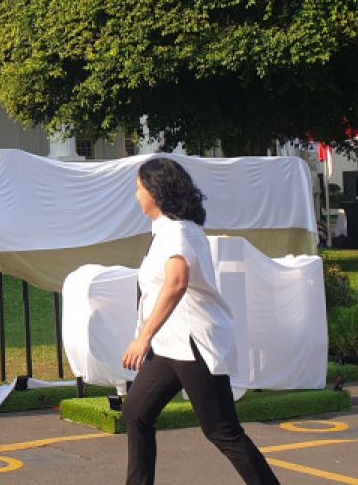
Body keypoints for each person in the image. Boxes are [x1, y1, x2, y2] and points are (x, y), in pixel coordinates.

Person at [122, 157, 280, 485]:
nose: (136, 195)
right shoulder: (170, 230)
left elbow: (177, 282)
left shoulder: (178, 232)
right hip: (170, 345)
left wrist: (143, 336)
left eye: (138, 188)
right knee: (136, 413)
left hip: (194, 344)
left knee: (223, 431)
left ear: (155, 191)